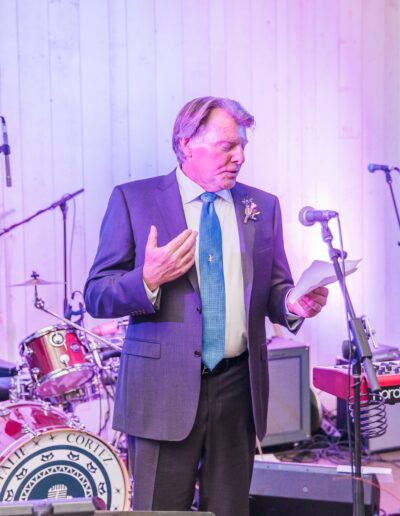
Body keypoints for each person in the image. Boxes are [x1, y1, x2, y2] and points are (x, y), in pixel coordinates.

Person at [84, 96, 328, 516]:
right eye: (227, 146)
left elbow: (274, 288)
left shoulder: (262, 207)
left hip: (238, 390)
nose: (240, 157)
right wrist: (147, 278)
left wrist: (293, 303)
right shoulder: (134, 200)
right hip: (163, 392)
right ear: (186, 144)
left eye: (243, 147)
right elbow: (97, 294)